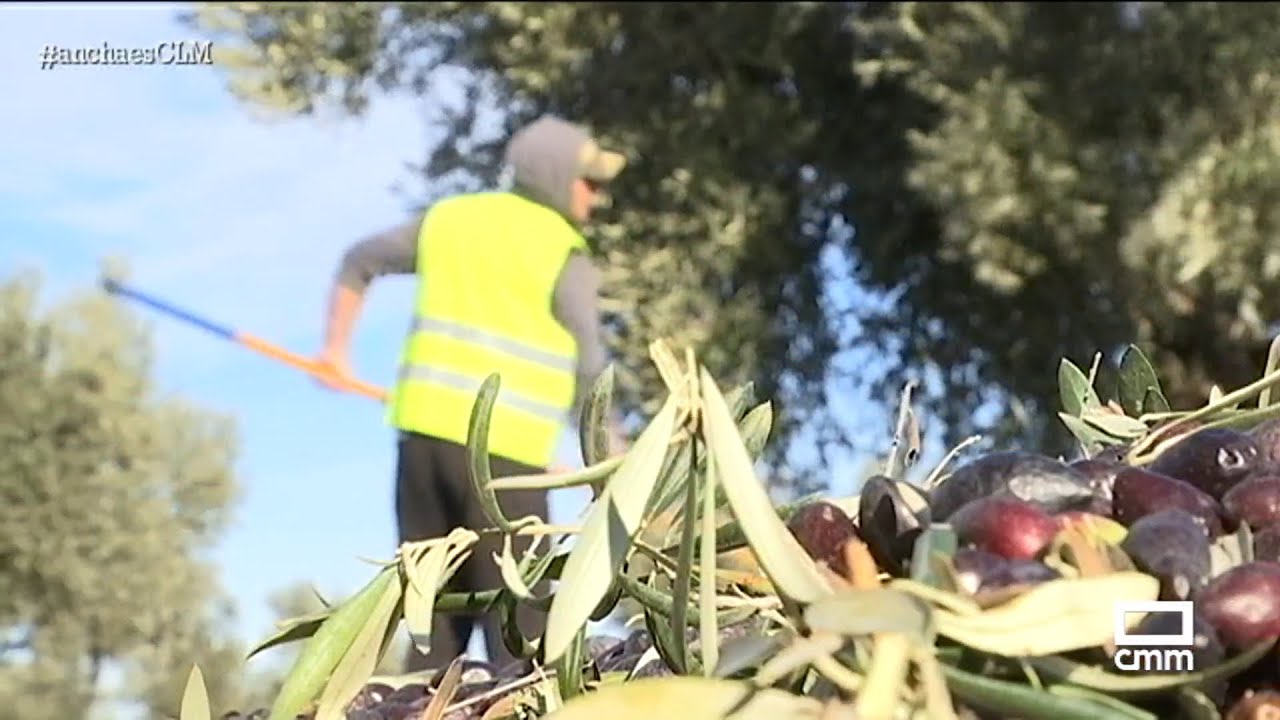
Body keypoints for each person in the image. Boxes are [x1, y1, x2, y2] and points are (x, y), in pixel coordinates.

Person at [312, 114, 628, 673]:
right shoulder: (562, 250)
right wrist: (614, 460)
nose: (596, 197)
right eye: (590, 182)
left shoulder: (450, 219)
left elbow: (358, 261)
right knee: (523, 634)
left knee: (432, 621)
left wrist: (334, 353)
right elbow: (590, 363)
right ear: (556, 176)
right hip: (505, 461)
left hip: (423, 445)